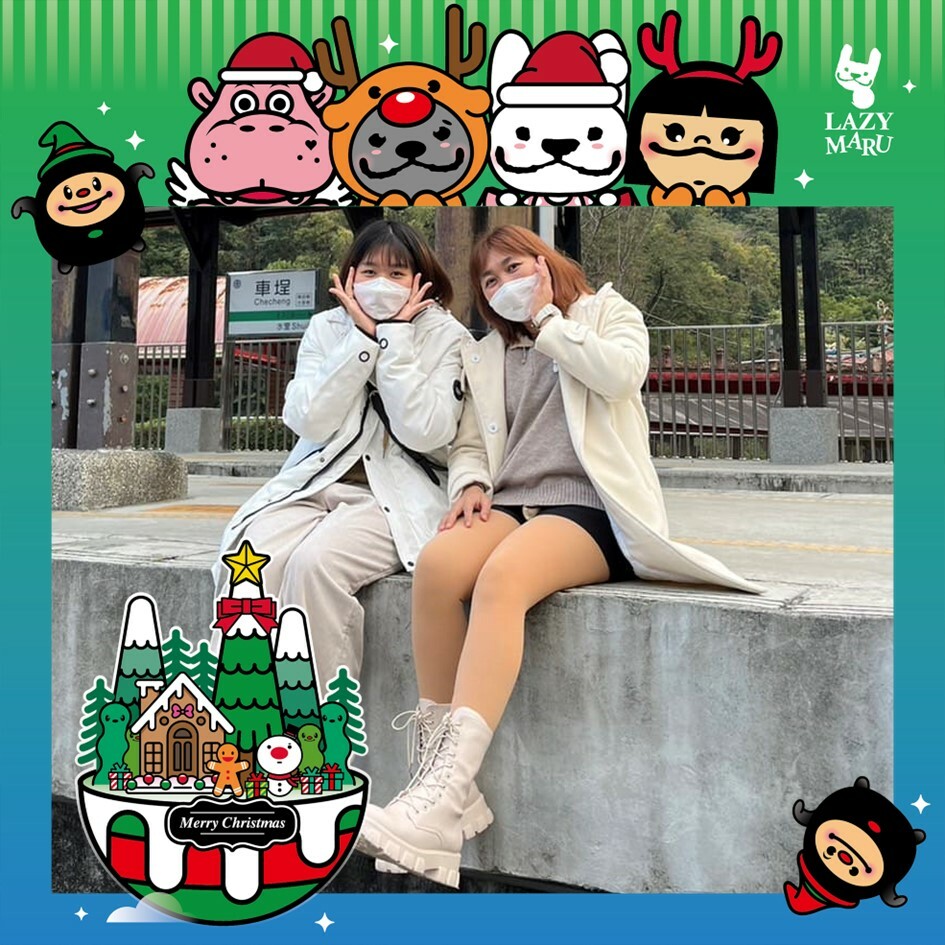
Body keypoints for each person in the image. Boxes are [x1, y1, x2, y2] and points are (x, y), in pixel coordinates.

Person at [359, 224, 762, 887]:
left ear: (544, 262)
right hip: (512, 501)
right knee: (436, 566)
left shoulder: (606, 313)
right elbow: (469, 442)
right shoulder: (489, 352)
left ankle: (440, 800)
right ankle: (439, 787)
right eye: (489, 280)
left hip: (593, 509)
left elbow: (620, 376)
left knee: (502, 578)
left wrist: (548, 319)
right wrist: (470, 483)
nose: (501, 285)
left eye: (513, 267)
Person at [213, 219, 469, 683]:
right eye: (369, 271)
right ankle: (240, 705)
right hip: (316, 482)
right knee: (247, 564)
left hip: (395, 493)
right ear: (350, 276)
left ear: (421, 280)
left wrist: (396, 339)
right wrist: (361, 342)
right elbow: (308, 420)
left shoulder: (446, 336)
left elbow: (425, 431)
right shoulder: (326, 328)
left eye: (397, 273)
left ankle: (320, 715)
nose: (381, 284)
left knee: (316, 565)